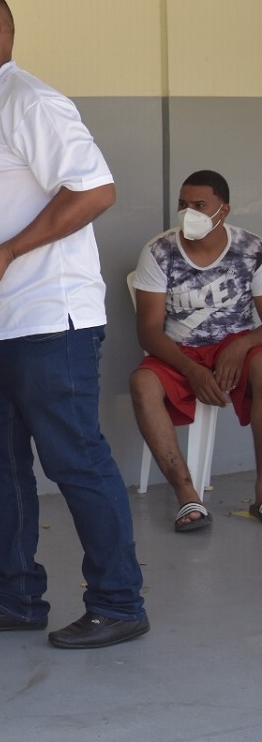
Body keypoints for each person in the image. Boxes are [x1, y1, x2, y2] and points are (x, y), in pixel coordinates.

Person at [0, 0, 149, 649]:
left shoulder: (32, 101)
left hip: (50, 321)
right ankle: (15, 597)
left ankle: (118, 602)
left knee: (75, 461)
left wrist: (9, 249)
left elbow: (93, 189)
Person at [130, 170, 262, 531]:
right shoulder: (159, 251)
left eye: (200, 205)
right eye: (183, 205)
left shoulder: (251, 248)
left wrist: (243, 344)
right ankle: (188, 496)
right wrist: (192, 369)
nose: (190, 213)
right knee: (142, 385)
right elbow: (149, 332)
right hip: (178, 351)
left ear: (224, 210)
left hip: (234, 348)